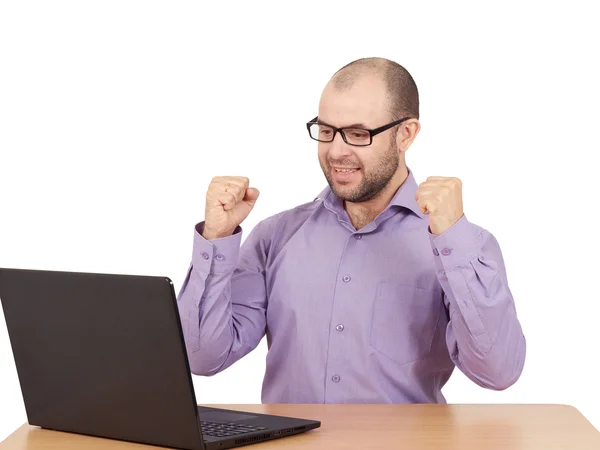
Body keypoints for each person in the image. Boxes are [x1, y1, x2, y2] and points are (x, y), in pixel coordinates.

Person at [176, 57, 526, 404]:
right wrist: (217, 238)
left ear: (406, 134)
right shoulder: (275, 237)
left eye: (358, 134)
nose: (337, 152)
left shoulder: (461, 245)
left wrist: (451, 240)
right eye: (327, 132)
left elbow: (496, 373)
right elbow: (203, 358)